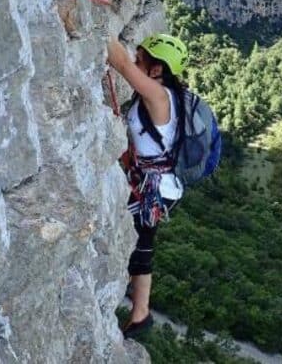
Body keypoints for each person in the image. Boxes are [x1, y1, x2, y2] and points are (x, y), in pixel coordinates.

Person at [106, 33, 189, 338]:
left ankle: (138, 310)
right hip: (156, 185)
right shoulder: (166, 94)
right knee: (143, 245)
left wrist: (98, 27)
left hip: (156, 189)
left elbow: (120, 63)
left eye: (142, 57)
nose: (136, 58)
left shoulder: (158, 96)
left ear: (156, 70)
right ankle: (140, 313)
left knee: (137, 245)